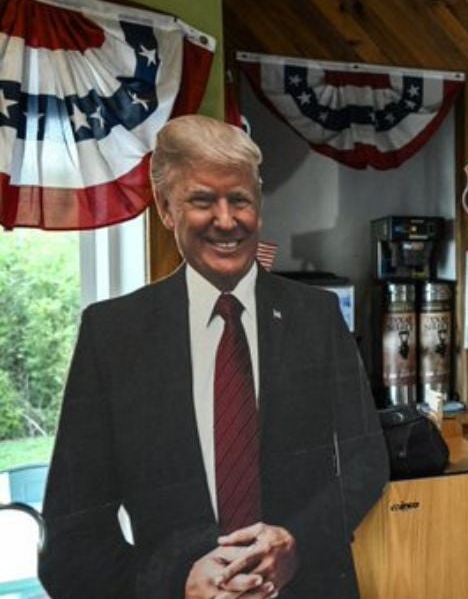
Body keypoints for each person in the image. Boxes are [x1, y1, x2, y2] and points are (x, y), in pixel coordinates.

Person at [39, 116, 389, 599]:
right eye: (203, 201)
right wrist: (175, 582)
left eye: (240, 200)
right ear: (165, 207)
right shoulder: (112, 336)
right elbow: (70, 540)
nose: (226, 221)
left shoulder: (317, 316)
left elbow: (366, 461)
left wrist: (297, 541)